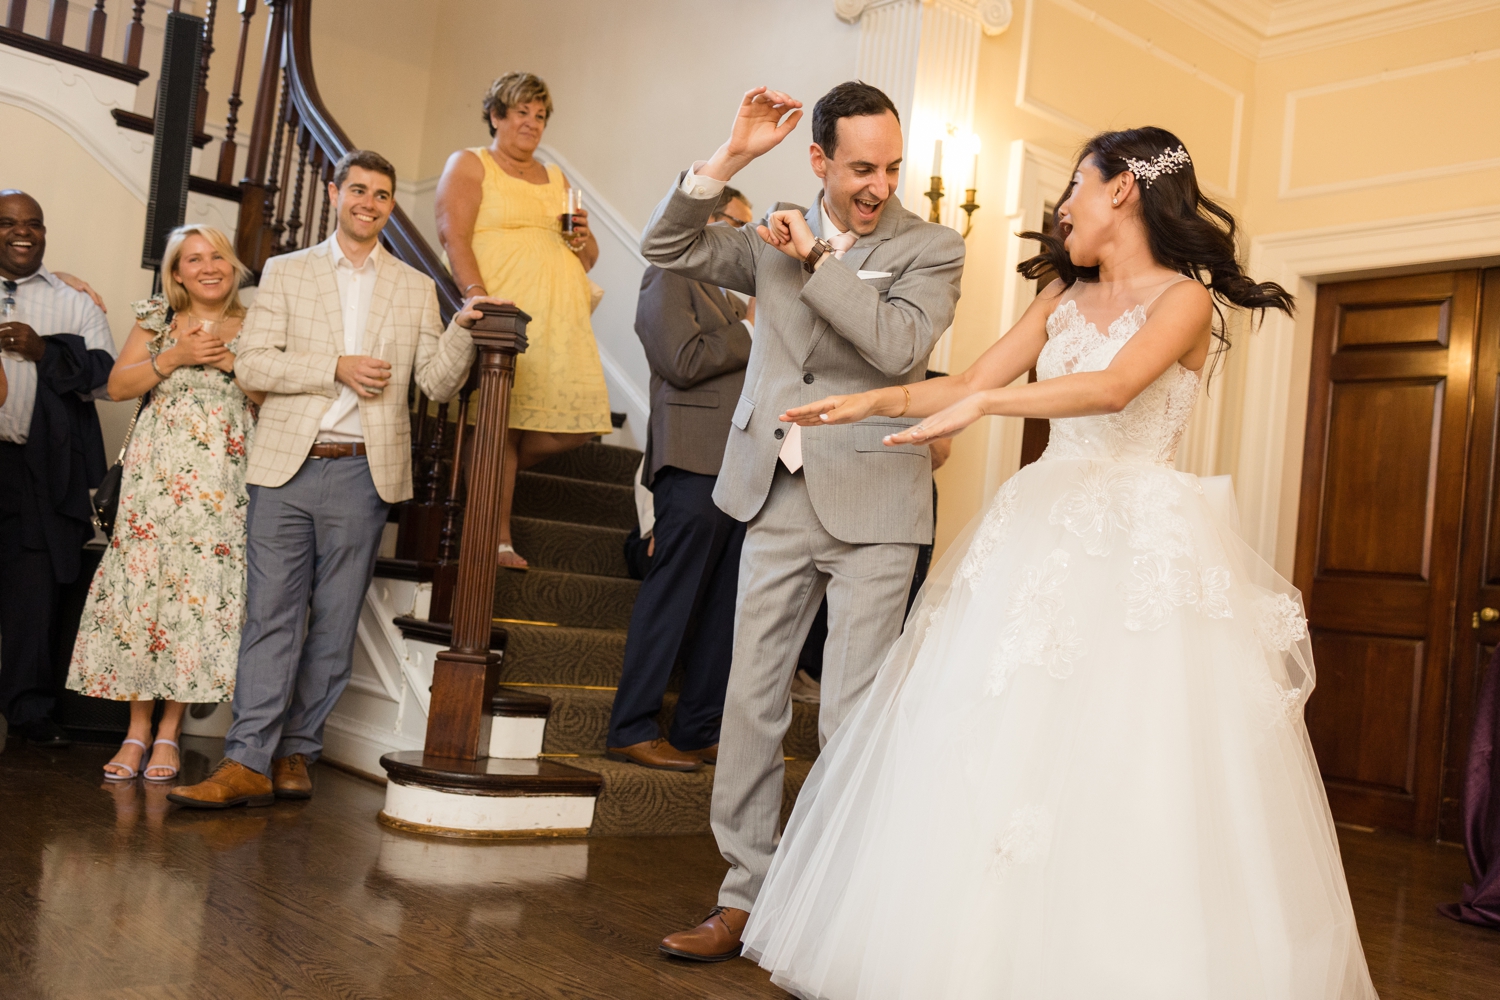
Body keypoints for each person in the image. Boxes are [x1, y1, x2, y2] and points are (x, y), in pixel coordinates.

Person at [742, 129, 1378, 998]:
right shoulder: (1062, 297)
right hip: (1037, 539)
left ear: (1121, 190)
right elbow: (968, 378)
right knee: (990, 741)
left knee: (1130, 756)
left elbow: (1113, 388)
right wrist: (877, 399)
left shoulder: (1184, 301)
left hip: (1137, 550)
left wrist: (986, 407)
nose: (1063, 205)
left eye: (1076, 184)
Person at [641, 82, 965, 960]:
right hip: (773, 493)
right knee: (750, 703)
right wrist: (734, 153)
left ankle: (831, 902)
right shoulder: (770, 232)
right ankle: (744, 895)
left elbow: (898, 348)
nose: (878, 184)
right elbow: (665, 243)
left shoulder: (933, 247)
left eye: (892, 167)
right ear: (819, 159)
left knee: (849, 715)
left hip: (877, 504)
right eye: (861, 167)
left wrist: (821, 259)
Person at [169, 150, 486, 809]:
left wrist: (462, 328)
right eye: (359, 190)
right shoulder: (285, 273)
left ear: (391, 207)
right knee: (270, 620)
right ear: (336, 193)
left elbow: (434, 381)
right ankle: (246, 760)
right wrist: (334, 368)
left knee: (336, 625)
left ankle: (296, 752)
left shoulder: (414, 287)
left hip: (363, 475)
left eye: (382, 194)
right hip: (286, 468)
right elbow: (253, 366)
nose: (369, 202)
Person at [66, 224, 264, 782]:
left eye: (217, 256)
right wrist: (173, 356)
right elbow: (119, 385)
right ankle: (135, 732)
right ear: (176, 273)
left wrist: (232, 364)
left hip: (221, 490)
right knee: (143, 599)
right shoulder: (157, 318)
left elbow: (278, 399)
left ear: (233, 265)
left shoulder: (258, 324)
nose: (208, 266)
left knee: (195, 602)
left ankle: (170, 735)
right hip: (153, 488)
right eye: (193, 259)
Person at [434, 71, 613, 570]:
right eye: (522, 113)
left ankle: (481, 466)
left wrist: (578, 237)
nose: (532, 124)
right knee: (502, 428)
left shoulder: (556, 177)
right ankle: (497, 539)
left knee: (573, 428)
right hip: (504, 312)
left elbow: (590, 254)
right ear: (496, 115)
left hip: (561, 321)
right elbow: (454, 235)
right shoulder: (471, 164)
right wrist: (477, 299)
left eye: (540, 116)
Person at [605, 187, 756, 772]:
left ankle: (697, 727)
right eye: (740, 225)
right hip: (691, 460)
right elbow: (680, 360)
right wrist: (750, 328)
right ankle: (631, 726)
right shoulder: (668, 272)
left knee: (724, 606)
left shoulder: (728, 290)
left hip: (741, 465)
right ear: (711, 222)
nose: (747, 238)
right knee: (672, 598)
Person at [0, 190, 116, 748]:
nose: (22, 233)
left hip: (36, 467)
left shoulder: (73, 301)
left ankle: (28, 713)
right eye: (7, 223)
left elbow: (105, 378)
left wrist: (46, 350)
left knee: (32, 592)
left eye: (33, 224)